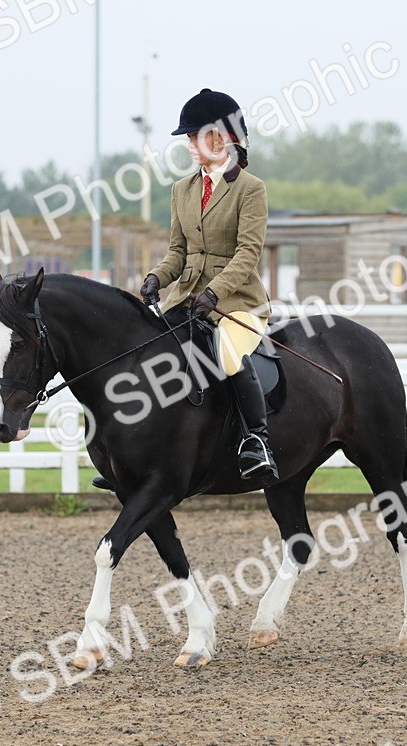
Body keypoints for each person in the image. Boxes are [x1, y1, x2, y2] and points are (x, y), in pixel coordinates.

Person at [140, 88, 277, 480]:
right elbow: (177, 252)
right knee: (146, 349)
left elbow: (248, 253)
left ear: (220, 138)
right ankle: (139, 448)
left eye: (194, 136)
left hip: (237, 302)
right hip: (186, 298)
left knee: (229, 354)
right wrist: (156, 278)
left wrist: (215, 292)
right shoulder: (181, 190)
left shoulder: (251, 189)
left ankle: (257, 440)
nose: (188, 145)